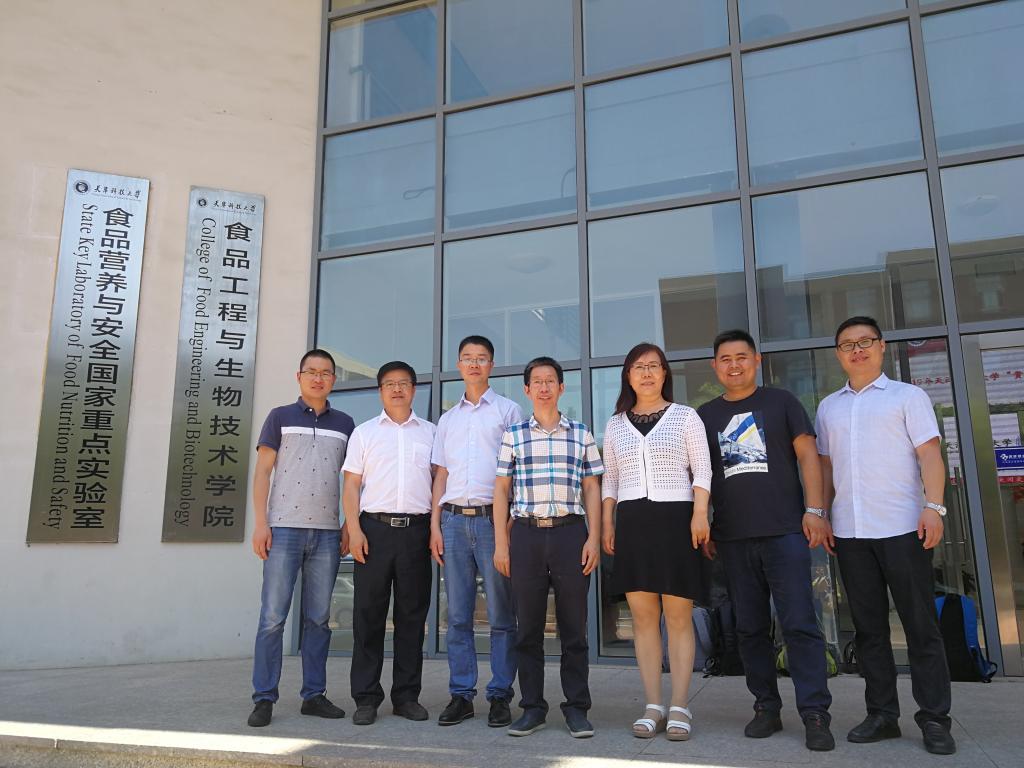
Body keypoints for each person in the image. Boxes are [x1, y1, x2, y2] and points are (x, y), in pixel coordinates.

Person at [816, 316, 955, 755]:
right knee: (869, 630)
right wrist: (821, 513)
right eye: (848, 344)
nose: (857, 350)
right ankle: (882, 715)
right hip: (851, 533)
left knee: (920, 627)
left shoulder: (908, 397)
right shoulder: (828, 407)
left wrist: (935, 507)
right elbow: (825, 469)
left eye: (865, 342)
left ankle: (935, 719)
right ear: (838, 354)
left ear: (881, 347)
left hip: (903, 528)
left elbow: (929, 455)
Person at [696, 330, 835, 752]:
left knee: (799, 624)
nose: (733, 365)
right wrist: (704, 522)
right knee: (750, 629)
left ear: (756, 360)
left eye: (741, 357)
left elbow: (808, 456)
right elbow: (700, 475)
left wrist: (815, 510)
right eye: (725, 359)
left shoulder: (782, 402)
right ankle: (766, 707)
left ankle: (815, 712)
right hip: (733, 538)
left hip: (785, 532)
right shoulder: (704, 416)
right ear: (715, 366)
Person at [601, 342, 712, 741]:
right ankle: (653, 705)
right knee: (643, 619)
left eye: (653, 366)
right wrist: (608, 523)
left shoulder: (685, 416)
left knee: (678, 617)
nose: (646, 373)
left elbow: (702, 470)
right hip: (633, 522)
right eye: (638, 367)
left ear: (665, 373)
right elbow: (610, 479)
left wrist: (700, 514)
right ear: (628, 376)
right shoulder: (615, 424)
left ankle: (680, 705)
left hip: (676, 520)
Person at [492, 356, 603, 739]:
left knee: (574, 629)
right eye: (537, 381)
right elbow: (501, 490)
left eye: (550, 380)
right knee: (528, 629)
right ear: (527, 390)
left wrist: (593, 537)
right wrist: (501, 543)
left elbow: (592, 487)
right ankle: (533, 708)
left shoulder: (581, 433)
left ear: (561, 387)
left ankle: (577, 709)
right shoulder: (514, 435)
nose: (543, 387)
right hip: (526, 536)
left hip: (571, 534)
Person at [248, 349, 355, 728]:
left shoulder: (345, 424)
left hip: (327, 534)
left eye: (325, 373)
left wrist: (348, 524)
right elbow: (262, 473)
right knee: (272, 618)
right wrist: (261, 524)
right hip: (283, 529)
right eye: (312, 372)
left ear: (333, 380)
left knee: (319, 620)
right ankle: (264, 698)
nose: (318, 378)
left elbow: (353, 480)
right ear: (299, 376)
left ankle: (314, 695)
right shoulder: (280, 417)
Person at [430, 335, 523, 728]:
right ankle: (461, 695)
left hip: (492, 522)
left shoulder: (508, 411)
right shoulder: (447, 419)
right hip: (452, 522)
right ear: (458, 365)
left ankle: (500, 695)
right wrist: (434, 524)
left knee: (501, 615)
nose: (473, 364)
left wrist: (510, 523)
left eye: (481, 358)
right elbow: (441, 474)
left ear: (491, 365)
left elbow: (520, 470)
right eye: (467, 358)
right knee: (458, 616)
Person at [342, 361, 436, 726]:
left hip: (417, 532)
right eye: (390, 384)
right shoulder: (364, 433)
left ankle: (406, 697)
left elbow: (439, 485)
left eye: (404, 383)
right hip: (374, 531)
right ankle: (366, 698)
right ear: (380, 391)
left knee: (412, 617)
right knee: (368, 617)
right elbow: (352, 485)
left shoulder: (431, 433)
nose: (397, 389)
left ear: (413, 389)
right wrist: (354, 530)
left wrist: (435, 529)